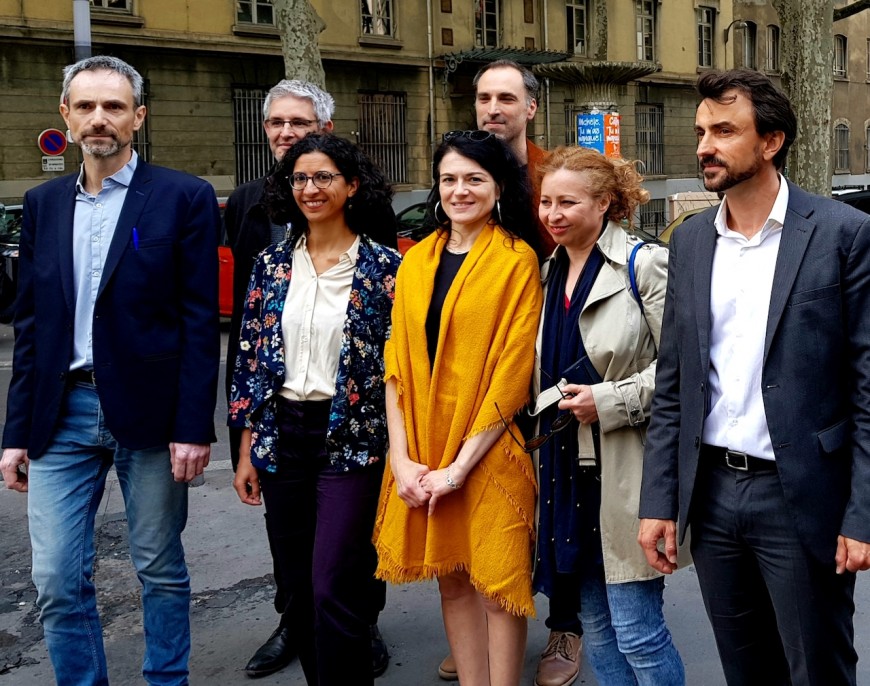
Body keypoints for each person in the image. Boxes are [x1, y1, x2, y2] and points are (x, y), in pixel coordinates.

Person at [638, 68, 870, 685]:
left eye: (723, 131)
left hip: (801, 496)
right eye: (701, 132)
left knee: (817, 669)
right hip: (713, 495)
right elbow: (674, 384)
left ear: (771, 142)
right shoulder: (691, 242)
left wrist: (862, 513)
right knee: (745, 671)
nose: (704, 146)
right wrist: (659, 500)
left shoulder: (842, 234)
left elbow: (867, 386)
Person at [0, 55, 220, 685]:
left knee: (158, 566)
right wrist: (16, 434)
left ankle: (166, 680)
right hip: (60, 413)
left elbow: (198, 320)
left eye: (115, 106)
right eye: (87, 106)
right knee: (55, 578)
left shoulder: (183, 197)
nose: (100, 118)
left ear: (138, 117)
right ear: (66, 116)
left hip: (150, 414)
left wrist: (192, 426)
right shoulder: (42, 204)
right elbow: (32, 326)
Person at [223, 80, 390, 678]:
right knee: (298, 582)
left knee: (333, 583)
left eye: (323, 177)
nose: (311, 189)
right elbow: (251, 361)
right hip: (281, 437)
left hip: (350, 437)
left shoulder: (384, 269)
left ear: (351, 185)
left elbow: (399, 370)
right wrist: (246, 446)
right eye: (300, 179)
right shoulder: (270, 265)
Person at [373, 130, 542, 686]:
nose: (460, 190)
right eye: (449, 179)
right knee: (452, 582)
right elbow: (396, 366)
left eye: (474, 179)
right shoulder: (416, 261)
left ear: (499, 187)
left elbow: (512, 376)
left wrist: (459, 469)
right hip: (425, 446)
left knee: (496, 586)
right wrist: (401, 460)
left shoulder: (516, 261)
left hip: (488, 449)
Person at [528, 146, 684, 686]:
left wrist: (609, 400)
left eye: (567, 202)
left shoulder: (645, 264)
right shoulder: (548, 271)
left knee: (638, 630)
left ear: (604, 203)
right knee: (595, 627)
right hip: (562, 469)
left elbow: (685, 367)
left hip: (626, 470)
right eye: (546, 201)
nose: (553, 214)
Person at [474, 59, 555, 256]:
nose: (492, 110)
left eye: (506, 99)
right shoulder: (456, 174)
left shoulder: (554, 172)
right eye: (484, 99)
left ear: (531, 108)